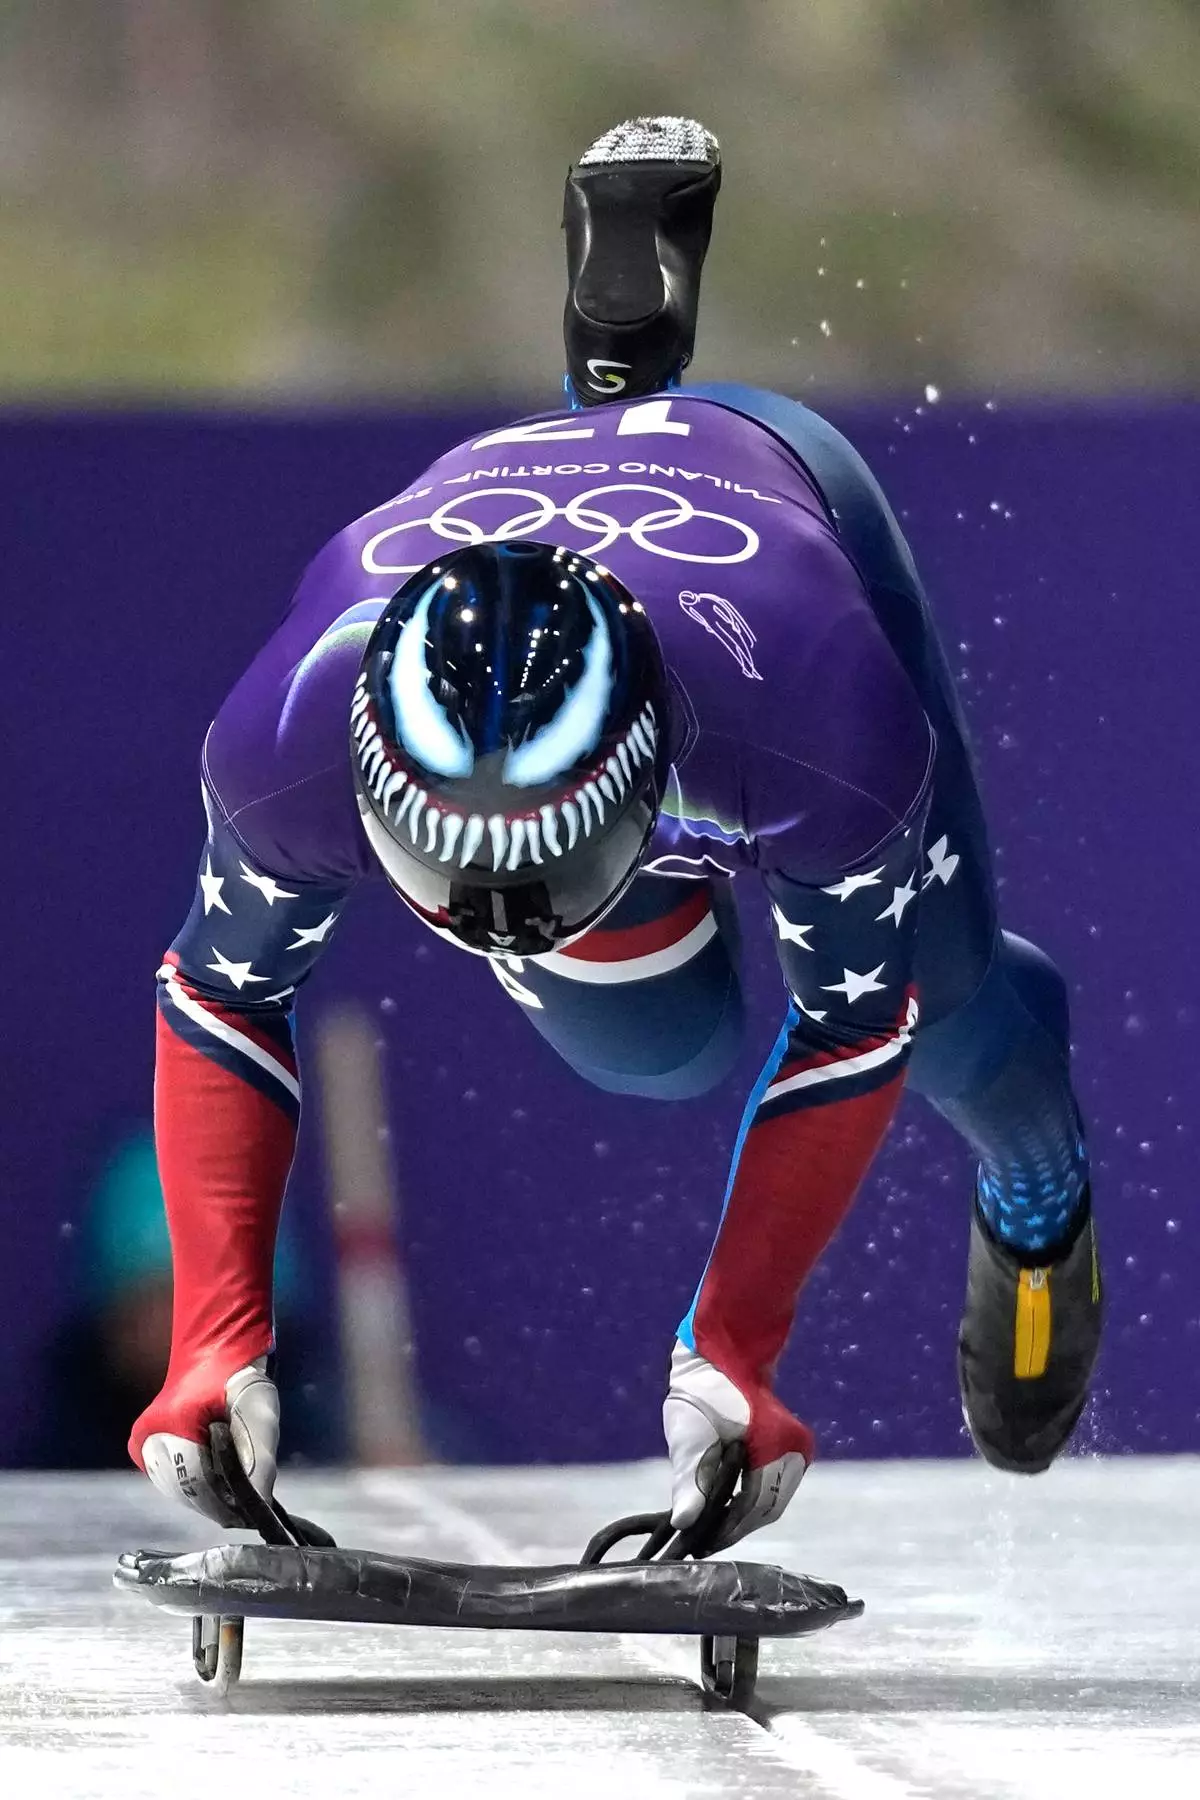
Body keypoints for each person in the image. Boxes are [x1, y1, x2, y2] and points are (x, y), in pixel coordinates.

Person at [131, 118, 1101, 1543]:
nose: (506, 912)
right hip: (570, 563)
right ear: (372, 783)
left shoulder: (818, 717)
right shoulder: (286, 743)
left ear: (649, 780)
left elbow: (851, 1026)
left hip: (782, 508)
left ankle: (1042, 1189)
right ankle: (617, 364)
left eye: (539, 878)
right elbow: (217, 996)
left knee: (945, 1006)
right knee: (668, 1055)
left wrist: (735, 1357)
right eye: (465, 882)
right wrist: (210, 1343)